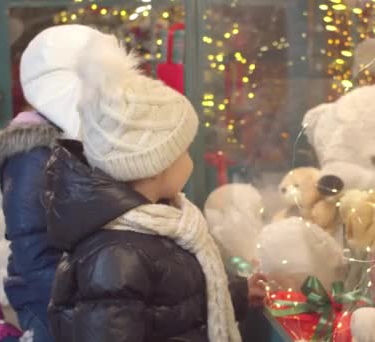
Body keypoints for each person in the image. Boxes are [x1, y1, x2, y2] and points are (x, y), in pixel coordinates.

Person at [44, 31, 266, 342]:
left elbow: (173, 301)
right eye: (183, 149)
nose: (191, 158)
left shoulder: (161, 223)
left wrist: (237, 293)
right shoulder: (116, 254)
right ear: (154, 165)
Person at [0, 25, 108, 342]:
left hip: (90, 284)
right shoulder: (30, 156)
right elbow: (33, 247)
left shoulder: (91, 139)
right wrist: (67, 305)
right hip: (44, 291)